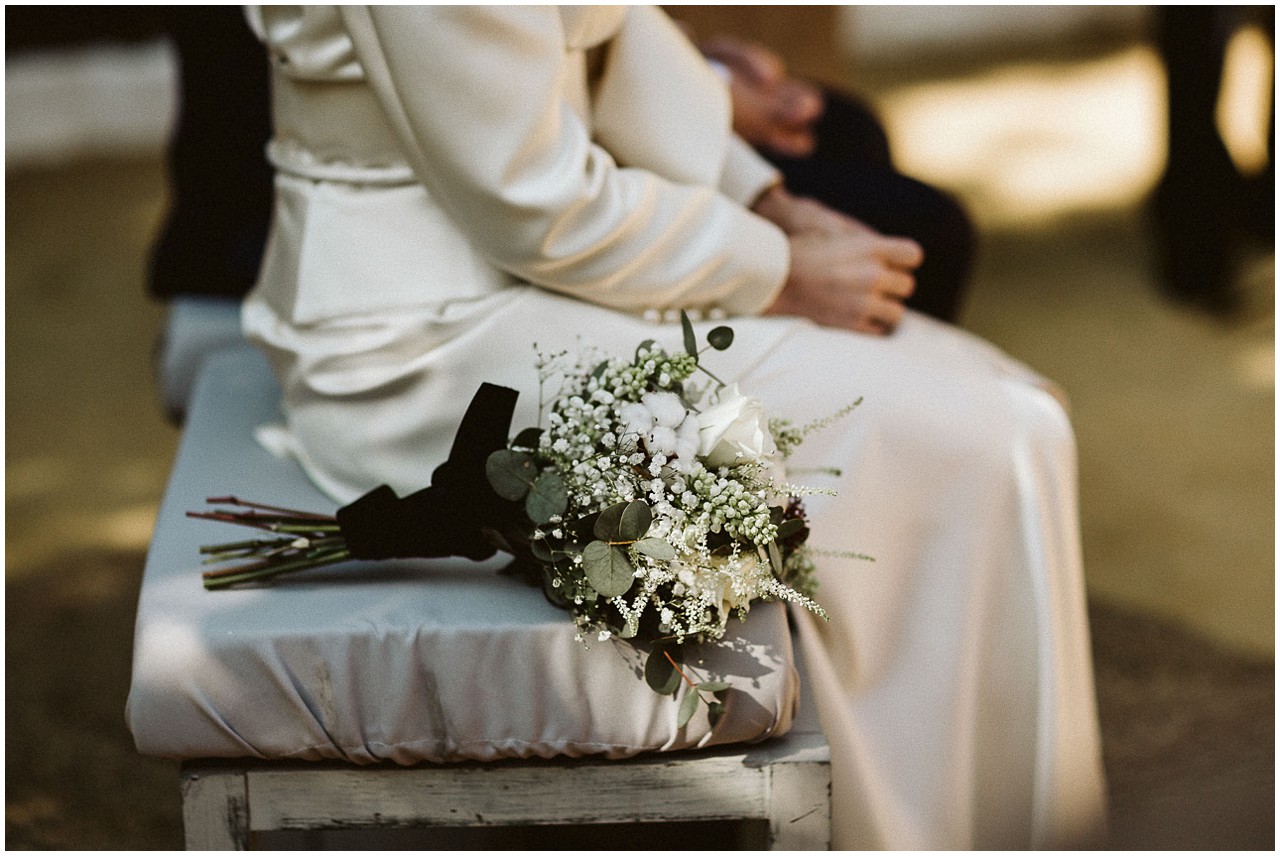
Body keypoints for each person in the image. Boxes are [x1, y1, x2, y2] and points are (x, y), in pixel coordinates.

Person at [240, 7, 1106, 848]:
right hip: (429, 330)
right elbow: (530, 198)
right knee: (973, 442)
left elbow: (600, 32)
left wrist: (763, 197)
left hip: (539, 273)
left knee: (1012, 407)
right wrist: (777, 271)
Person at [696, 33, 975, 323]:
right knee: (932, 226)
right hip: (676, 121)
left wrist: (709, 62)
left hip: (685, 79)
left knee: (854, 127)